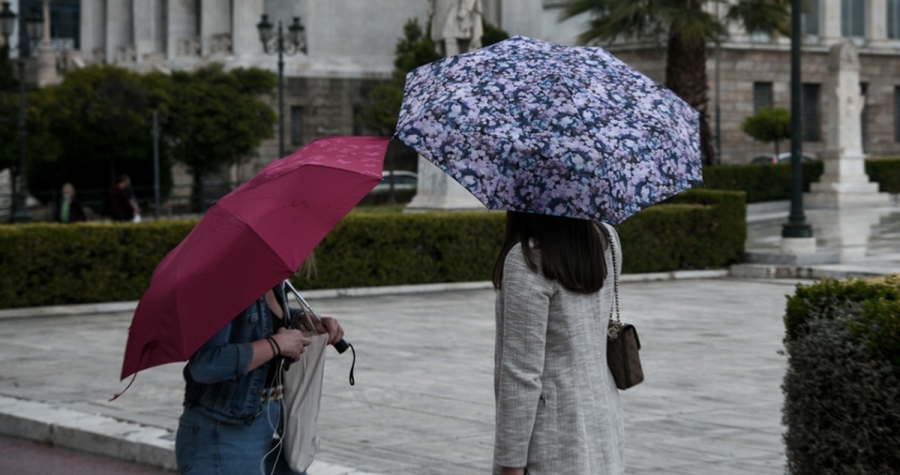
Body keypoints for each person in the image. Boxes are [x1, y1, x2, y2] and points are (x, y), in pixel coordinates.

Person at [491, 212, 625, 475]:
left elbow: (521, 374)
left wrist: (510, 462)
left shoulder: (528, 260)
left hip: (552, 436)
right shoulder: (606, 238)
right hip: (603, 419)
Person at [175, 278, 344, 475]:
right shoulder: (223, 282)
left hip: (272, 419)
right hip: (224, 431)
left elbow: (260, 324)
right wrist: (276, 345)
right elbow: (206, 364)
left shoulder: (270, 278)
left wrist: (304, 321)